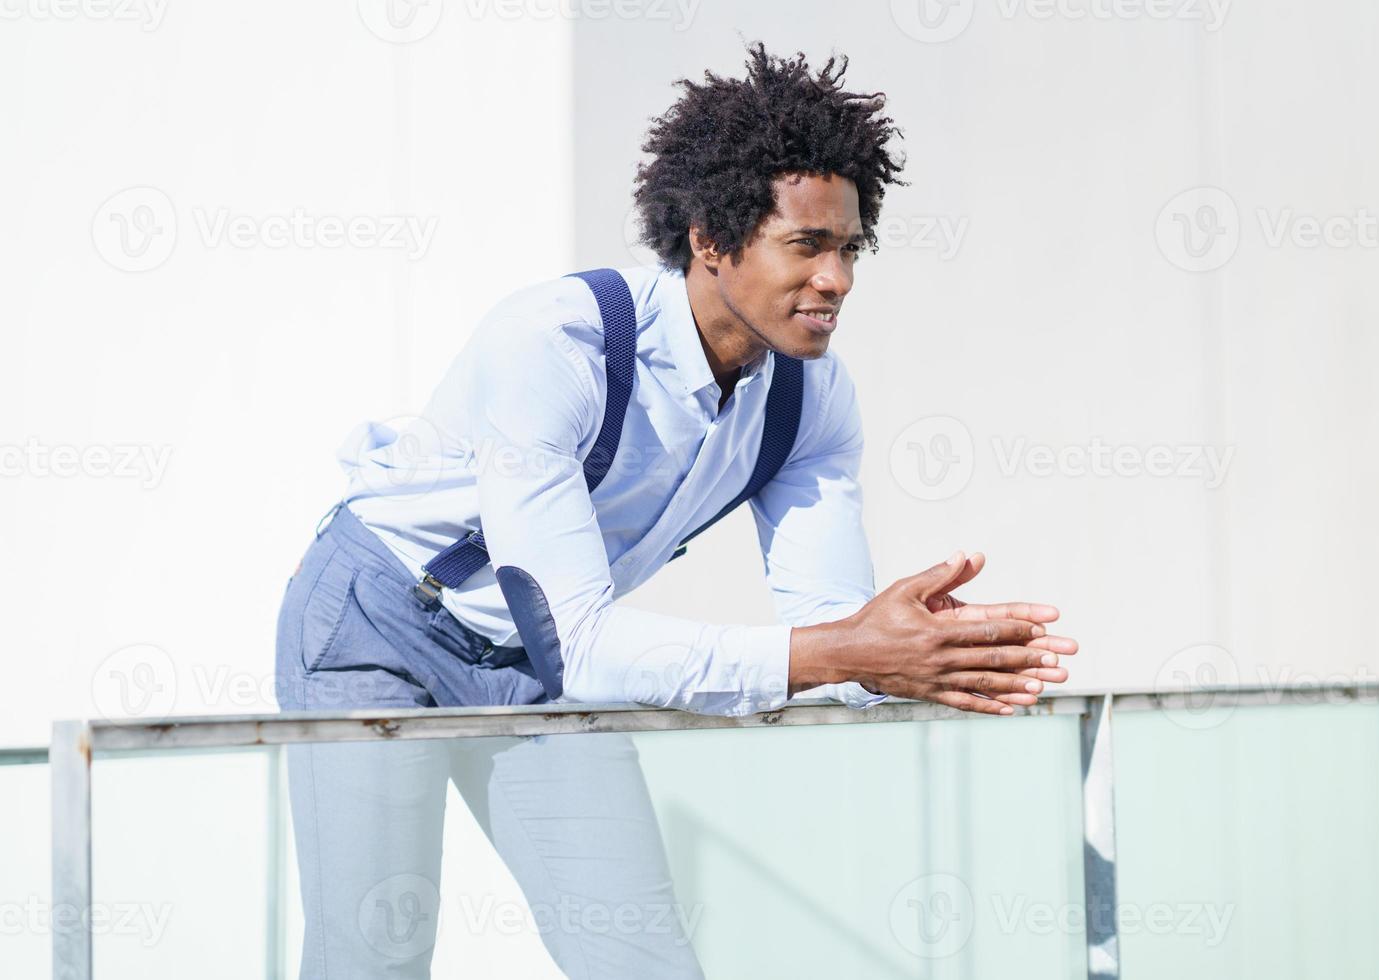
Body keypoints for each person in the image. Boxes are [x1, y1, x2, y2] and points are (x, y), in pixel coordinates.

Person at [274, 42, 1078, 978]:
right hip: (382, 623)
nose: (840, 280)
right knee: (374, 956)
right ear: (710, 239)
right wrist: (846, 652)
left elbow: (831, 634)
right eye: (807, 245)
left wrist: (919, 657)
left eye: (850, 248)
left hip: (539, 668)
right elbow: (589, 644)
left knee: (644, 963)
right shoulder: (557, 345)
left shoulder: (808, 399)